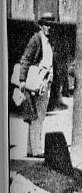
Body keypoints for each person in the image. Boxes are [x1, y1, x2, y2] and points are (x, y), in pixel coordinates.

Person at [15, 12, 58, 158]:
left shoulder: (50, 41)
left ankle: (30, 149)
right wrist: (22, 80)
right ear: (41, 25)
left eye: (51, 25)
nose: (49, 27)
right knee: (37, 116)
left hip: (45, 83)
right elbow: (26, 59)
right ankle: (37, 149)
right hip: (36, 82)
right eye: (46, 24)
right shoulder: (36, 39)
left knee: (37, 115)